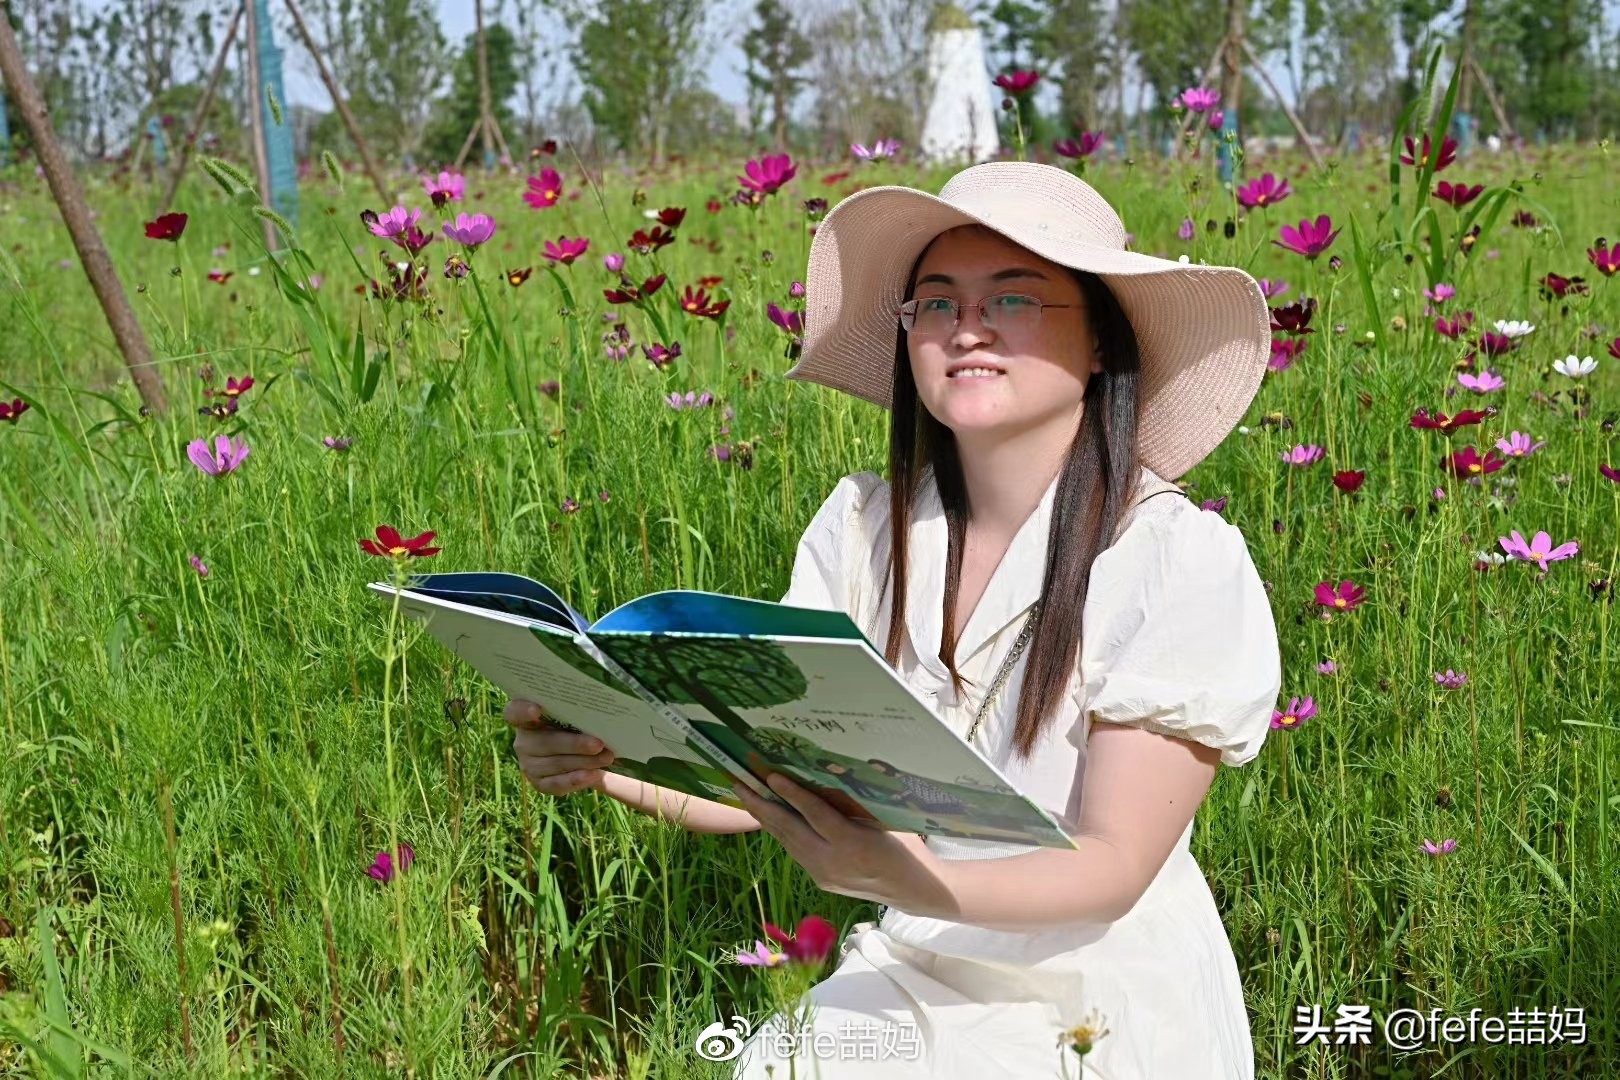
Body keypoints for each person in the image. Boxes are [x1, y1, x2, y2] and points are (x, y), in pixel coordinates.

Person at [504, 159, 1282, 1078]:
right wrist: (604, 755)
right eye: (938, 304)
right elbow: (765, 774)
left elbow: (1114, 864)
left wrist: (906, 878)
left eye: (1015, 300)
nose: (968, 329)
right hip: (918, 957)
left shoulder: (1172, 558)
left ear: (1105, 343)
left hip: (1095, 989)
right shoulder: (869, 529)